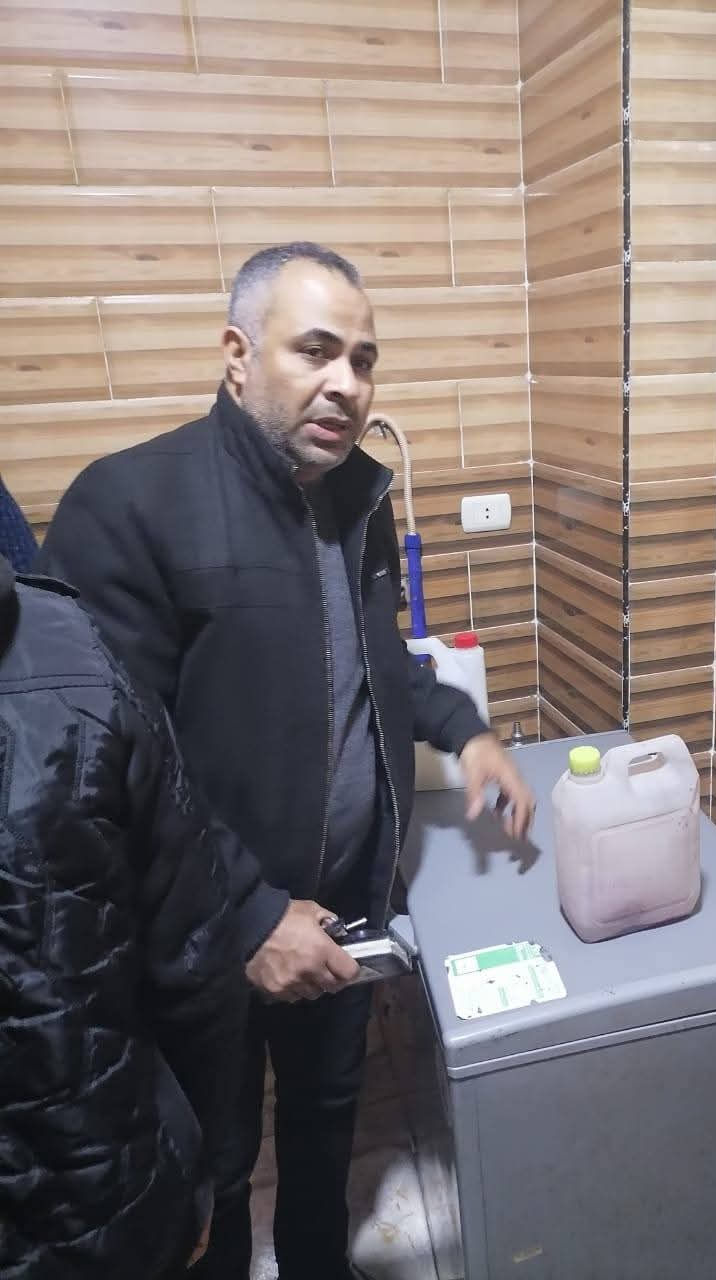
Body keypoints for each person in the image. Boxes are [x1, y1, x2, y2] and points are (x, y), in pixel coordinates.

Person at [36, 241, 536, 1280]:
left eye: (363, 359)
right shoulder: (128, 505)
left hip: (342, 903)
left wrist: (465, 727)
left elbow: (375, 665)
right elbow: (102, 771)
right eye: (315, 350)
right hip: (203, 930)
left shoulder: (356, 498)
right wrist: (250, 915)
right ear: (237, 355)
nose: (345, 383)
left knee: (323, 1118)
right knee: (211, 1162)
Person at [0, 553, 245, 1278]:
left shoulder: (71, 655)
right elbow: (196, 960)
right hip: (106, 1192)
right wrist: (198, 1171)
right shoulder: (73, 642)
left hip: (103, 1176)